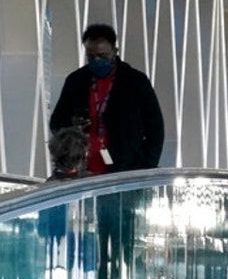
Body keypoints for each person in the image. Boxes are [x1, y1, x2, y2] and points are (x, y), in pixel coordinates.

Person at [49, 23, 164, 174]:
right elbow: (56, 122)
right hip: (82, 170)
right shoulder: (76, 81)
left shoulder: (135, 81)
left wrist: (147, 168)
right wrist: (73, 126)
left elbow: (155, 129)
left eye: (102, 56)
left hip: (125, 169)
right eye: (91, 56)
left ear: (114, 51)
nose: (97, 60)